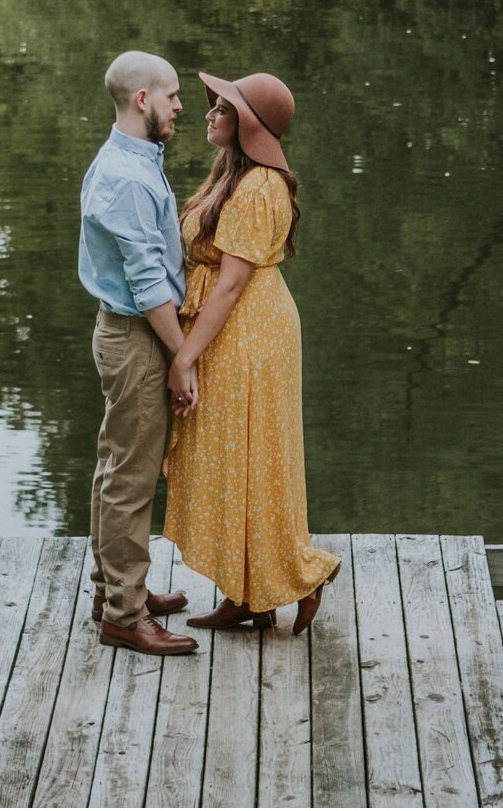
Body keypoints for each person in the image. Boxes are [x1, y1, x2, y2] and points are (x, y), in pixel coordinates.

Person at [163, 71, 341, 635]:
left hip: (249, 336)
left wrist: (183, 356)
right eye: (215, 103)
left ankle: (300, 576)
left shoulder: (260, 186)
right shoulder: (231, 174)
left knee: (252, 461)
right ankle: (248, 595)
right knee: (235, 461)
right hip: (239, 331)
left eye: (224, 107)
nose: (210, 111)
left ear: (251, 125)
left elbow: (231, 284)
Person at [78, 50, 198, 656]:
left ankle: (114, 589)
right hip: (137, 338)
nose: (181, 105)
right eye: (172, 95)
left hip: (129, 335)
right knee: (129, 479)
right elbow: (149, 284)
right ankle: (124, 615)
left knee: (116, 466)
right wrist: (184, 357)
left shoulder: (132, 159)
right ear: (142, 100)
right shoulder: (125, 176)